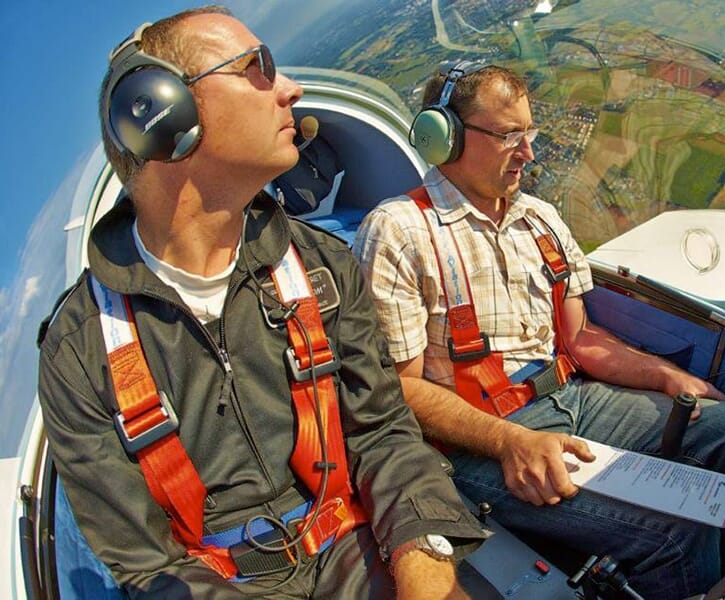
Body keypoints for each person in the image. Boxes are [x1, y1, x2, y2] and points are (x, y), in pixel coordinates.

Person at [37, 7, 487, 599]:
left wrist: (423, 567)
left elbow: (385, 436)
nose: (290, 89)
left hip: (359, 549)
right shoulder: (78, 352)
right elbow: (148, 567)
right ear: (160, 110)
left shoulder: (323, 267)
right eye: (258, 67)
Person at [353, 62, 725, 599]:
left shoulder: (539, 218)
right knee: (676, 535)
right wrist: (510, 441)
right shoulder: (398, 232)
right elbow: (400, 390)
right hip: (478, 441)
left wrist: (664, 375)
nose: (527, 152)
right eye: (507, 136)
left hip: (572, 400)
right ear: (443, 137)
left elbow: (582, 338)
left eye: (529, 133)